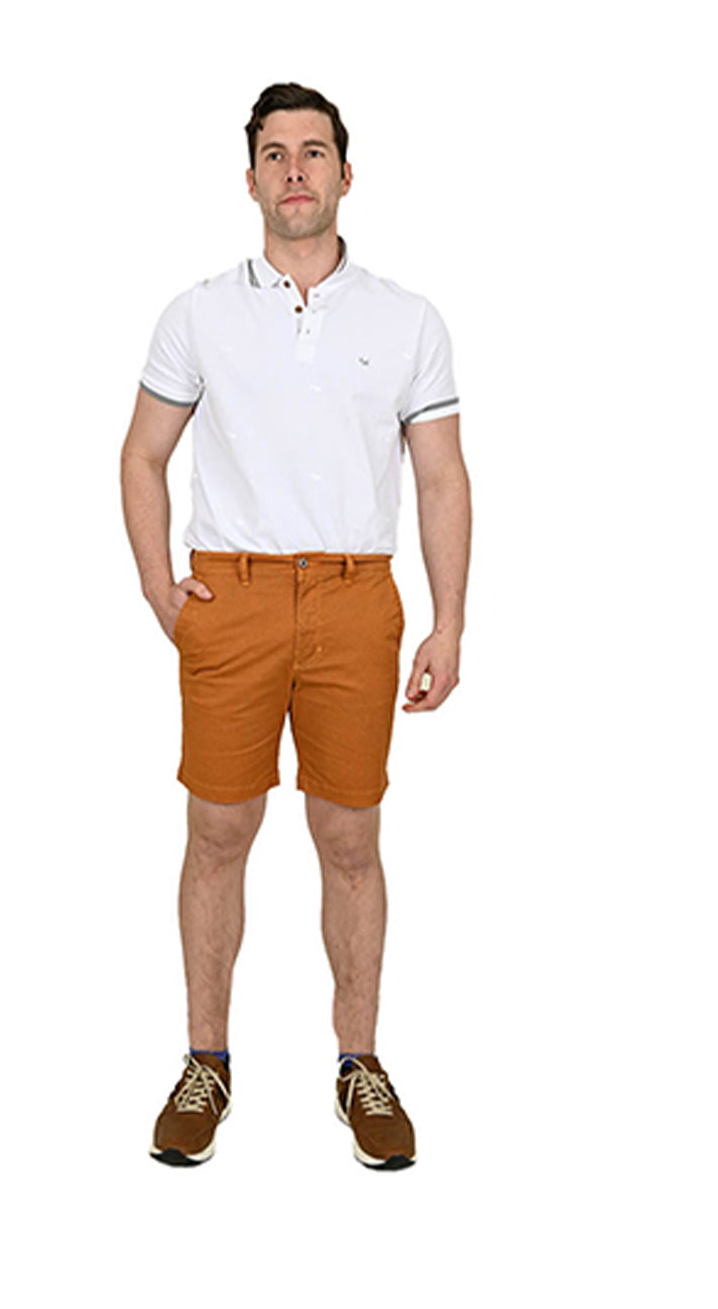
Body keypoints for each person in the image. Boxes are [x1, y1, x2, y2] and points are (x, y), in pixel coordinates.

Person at [120, 82, 471, 1170]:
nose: (295, 171)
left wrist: (450, 623)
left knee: (351, 839)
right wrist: (160, 589)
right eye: (274, 154)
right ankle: (205, 1063)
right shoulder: (198, 315)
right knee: (217, 831)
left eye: (313, 152)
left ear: (345, 174)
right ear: (250, 179)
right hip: (232, 596)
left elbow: (442, 479)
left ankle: (358, 1064)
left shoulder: (407, 319)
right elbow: (142, 455)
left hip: (357, 597)